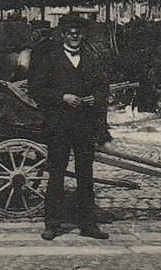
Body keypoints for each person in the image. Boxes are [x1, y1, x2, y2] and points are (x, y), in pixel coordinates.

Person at [28, 14, 109, 241]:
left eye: (78, 32)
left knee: (86, 174)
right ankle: (52, 224)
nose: (74, 35)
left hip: (85, 125)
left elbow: (104, 87)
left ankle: (88, 225)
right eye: (70, 31)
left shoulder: (92, 58)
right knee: (56, 174)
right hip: (59, 124)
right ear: (63, 34)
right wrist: (62, 96)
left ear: (83, 35)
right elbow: (36, 89)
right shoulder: (50, 58)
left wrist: (95, 97)